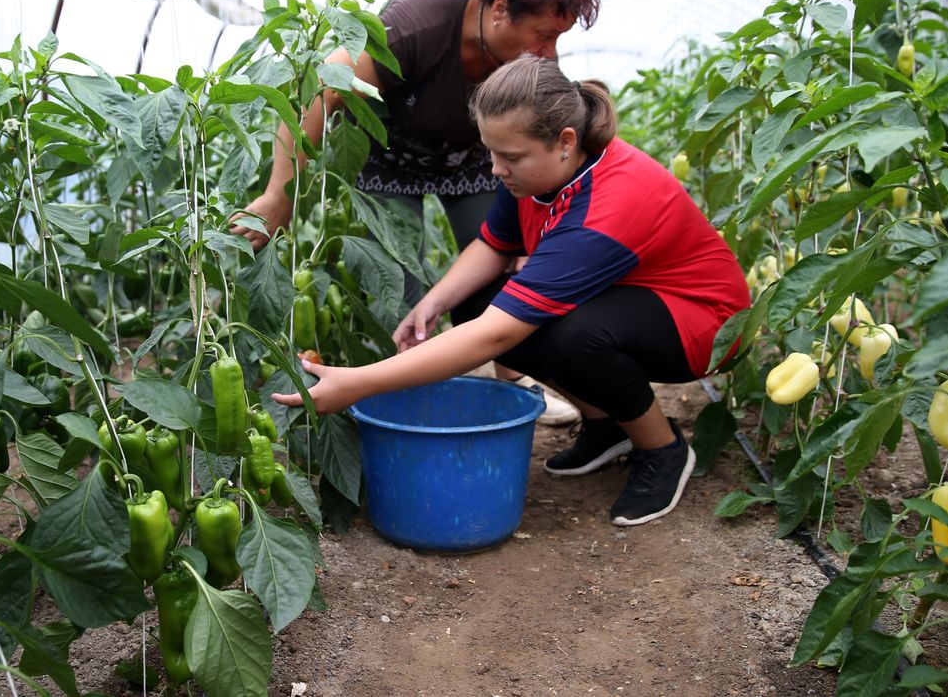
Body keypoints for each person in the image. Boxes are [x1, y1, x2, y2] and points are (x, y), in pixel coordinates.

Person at [274, 55, 752, 526]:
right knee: (472, 302)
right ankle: (607, 426)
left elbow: (495, 338)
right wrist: (432, 303)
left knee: (570, 334)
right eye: (492, 152)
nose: (496, 169)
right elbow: (494, 244)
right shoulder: (536, 171)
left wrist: (362, 381)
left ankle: (662, 449)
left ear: (565, 141)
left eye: (511, 157)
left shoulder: (608, 204)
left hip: (704, 321)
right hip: (628, 299)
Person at [235, 0, 601, 425]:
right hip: (390, 159)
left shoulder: (529, 61)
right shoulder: (421, 20)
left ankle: (511, 382)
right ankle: (408, 398)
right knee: (397, 282)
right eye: (543, 34)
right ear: (499, 10)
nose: (550, 53)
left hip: (474, 162)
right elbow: (319, 89)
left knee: (501, 264)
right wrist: (279, 194)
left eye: (558, 38)